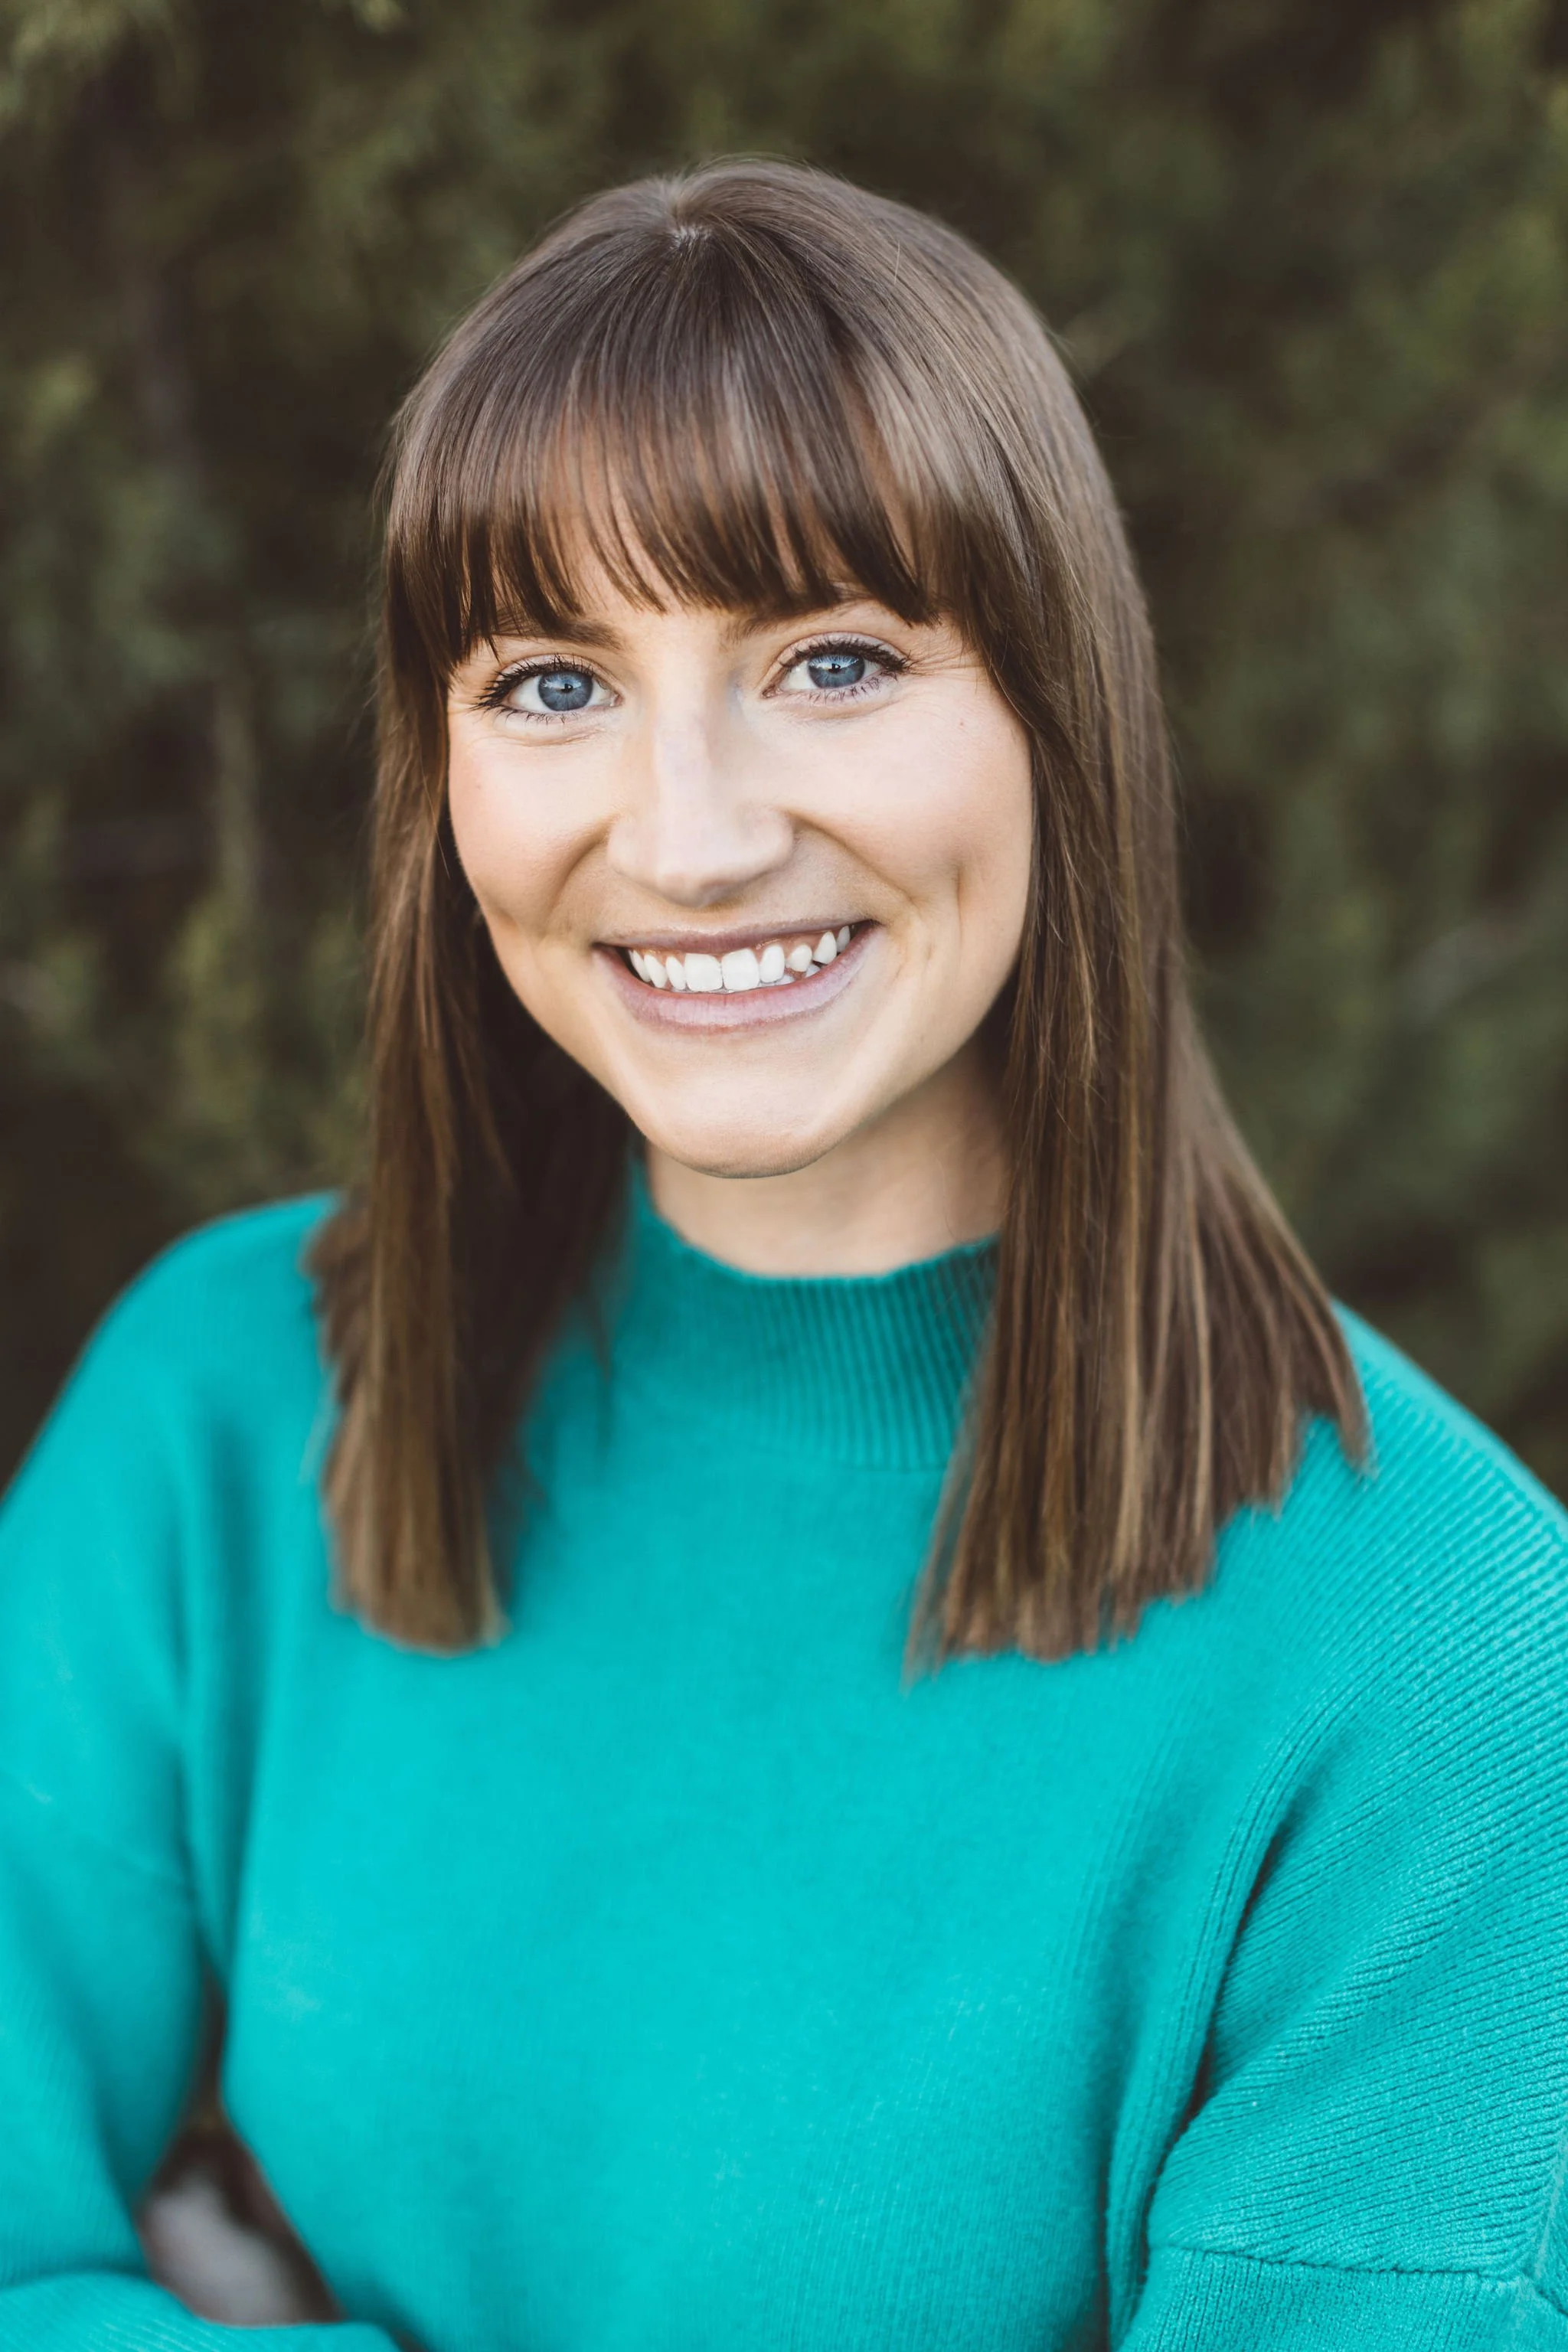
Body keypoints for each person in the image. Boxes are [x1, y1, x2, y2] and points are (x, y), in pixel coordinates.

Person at [2, 158, 1565, 2352]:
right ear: (438, 778)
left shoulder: (1444, 1675)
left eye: (834, 659)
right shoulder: (221, 1413)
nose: (694, 837)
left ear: (1058, 716)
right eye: (552, 684)